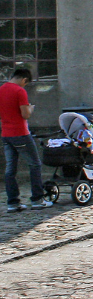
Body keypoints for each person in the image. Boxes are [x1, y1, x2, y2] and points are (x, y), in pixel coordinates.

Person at [2, 68, 51, 212]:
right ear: (24, 80)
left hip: (6, 134)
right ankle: (37, 199)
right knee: (35, 164)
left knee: (10, 169)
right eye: (26, 83)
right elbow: (25, 115)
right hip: (20, 133)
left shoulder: (1, 89)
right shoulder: (19, 91)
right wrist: (30, 108)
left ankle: (13, 203)